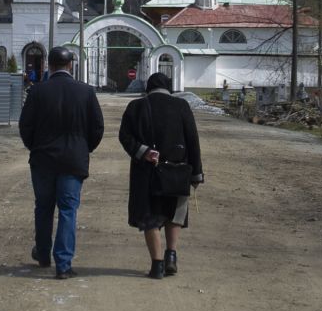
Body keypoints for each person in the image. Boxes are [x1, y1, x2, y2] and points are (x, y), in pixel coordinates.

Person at [17, 45, 104, 279]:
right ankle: (64, 264)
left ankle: (43, 254)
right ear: (70, 65)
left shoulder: (38, 91)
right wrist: (84, 149)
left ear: (49, 65)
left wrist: (35, 147)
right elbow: (97, 128)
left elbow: (25, 126)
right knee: (68, 210)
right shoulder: (86, 92)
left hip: (43, 160)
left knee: (43, 207)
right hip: (73, 161)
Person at [117, 72, 204, 279]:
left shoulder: (136, 107)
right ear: (169, 87)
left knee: (151, 218)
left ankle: (157, 265)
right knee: (175, 214)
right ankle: (171, 256)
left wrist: (144, 151)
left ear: (148, 87)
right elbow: (193, 140)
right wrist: (197, 173)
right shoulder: (181, 106)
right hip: (178, 170)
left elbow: (125, 136)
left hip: (146, 173)